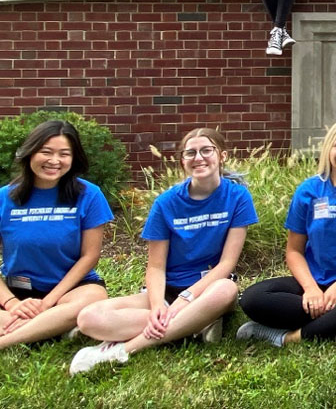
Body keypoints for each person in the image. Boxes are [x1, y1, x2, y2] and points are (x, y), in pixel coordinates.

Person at [69, 128, 258, 374]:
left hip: (208, 288)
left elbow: (226, 264)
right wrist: (159, 305)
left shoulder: (237, 197)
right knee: (89, 318)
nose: (198, 157)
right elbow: (156, 266)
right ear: (182, 161)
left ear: (221, 156)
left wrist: (185, 300)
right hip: (166, 289)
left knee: (227, 289)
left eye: (206, 150)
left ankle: (122, 351)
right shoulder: (166, 203)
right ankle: (194, 326)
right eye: (190, 152)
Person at [236, 119, 336, 346]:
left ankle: (289, 337)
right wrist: (311, 290)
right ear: (328, 148)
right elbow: (294, 251)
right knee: (253, 299)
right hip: (314, 281)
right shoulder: (309, 190)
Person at [0, 121, 113, 350]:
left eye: (64, 154)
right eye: (46, 152)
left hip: (70, 290)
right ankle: (49, 326)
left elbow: (89, 257)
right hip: (17, 290)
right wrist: (11, 303)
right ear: (30, 153)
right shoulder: (4, 198)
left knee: (94, 299)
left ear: (74, 159)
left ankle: (9, 338)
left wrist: (48, 302)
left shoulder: (89, 195)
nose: (54, 161)